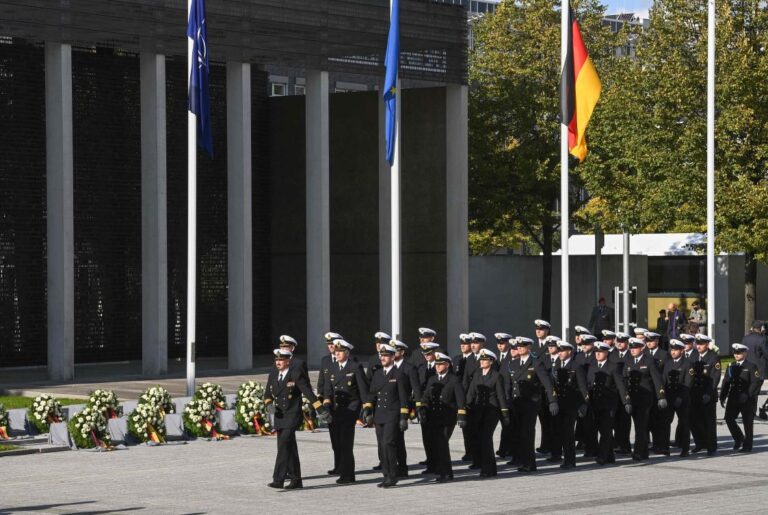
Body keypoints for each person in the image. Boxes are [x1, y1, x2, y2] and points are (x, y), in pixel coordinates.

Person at [265, 348, 331, 490]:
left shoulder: (295, 374)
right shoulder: (273, 373)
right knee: (290, 448)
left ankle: (278, 479)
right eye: (276, 360)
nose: (278, 362)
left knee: (283, 446)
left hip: (292, 415)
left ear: (288, 361)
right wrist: (269, 404)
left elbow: (308, 392)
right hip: (279, 416)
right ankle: (296, 480)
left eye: (281, 360)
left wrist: (320, 409)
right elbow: (267, 394)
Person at [321, 339, 369, 484]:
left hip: (350, 409)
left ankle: (348, 475)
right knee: (338, 443)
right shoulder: (332, 368)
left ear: (347, 353)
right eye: (336, 352)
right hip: (336, 410)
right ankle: (343, 470)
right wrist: (327, 405)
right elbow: (328, 390)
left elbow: (362, 389)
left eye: (340, 352)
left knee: (346, 443)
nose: (337, 354)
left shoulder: (355, 366)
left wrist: (366, 407)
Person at [362, 343, 410, 488]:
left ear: (393, 357)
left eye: (386, 356)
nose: (382, 358)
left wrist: (403, 417)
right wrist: (368, 409)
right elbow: (372, 394)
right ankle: (386, 475)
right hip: (379, 415)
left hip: (393, 414)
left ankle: (393, 475)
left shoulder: (399, 375)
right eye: (381, 356)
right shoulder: (377, 374)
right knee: (382, 446)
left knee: (389, 443)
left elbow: (403, 397)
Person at [507, 337, 556, 473]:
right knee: (518, 433)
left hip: (531, 403)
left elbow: (547, 383)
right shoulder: (514, 363)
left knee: (527, 433)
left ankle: (530, 463)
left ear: (529, 347)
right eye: (518, 346)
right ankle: (522, 460)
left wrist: (552, 400)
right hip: (517, 403)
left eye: (523, 346)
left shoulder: (536, 363)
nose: (520, 348)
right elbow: (510, 384)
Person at [580, 341, 630, 465]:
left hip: (609, 404)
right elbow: (588, 384)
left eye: (600, 352)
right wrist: (584, 402)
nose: (597, 354)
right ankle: (610, 456)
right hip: (595, 404)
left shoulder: (613, 366)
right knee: (597, 430)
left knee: (606, 430)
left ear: (606, 353)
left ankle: (602, 456)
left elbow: (620, 386)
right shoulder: (592, 366)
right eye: (596, 352)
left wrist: (626, 401)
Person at [421, 352, 466, 482]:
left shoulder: (454, 379)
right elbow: (425, 397)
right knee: (435, 443)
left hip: (447, 417)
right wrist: (423, 407)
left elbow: (460, 399)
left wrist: (461, 416)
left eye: (440, 364)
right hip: (433, 417)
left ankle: (447, 473)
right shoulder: (432, 379)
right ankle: (439, 469)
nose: (438, 366)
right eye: (436, 364)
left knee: (442, 443)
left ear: (447, 365)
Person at [465, 348, 509, 478]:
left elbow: (501, 396)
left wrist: (505, 413)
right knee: (479, 438)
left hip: (492, 411)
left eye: (485, 360)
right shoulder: (477, 373)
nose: (482, 362)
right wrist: (465, 407)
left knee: (486, 438)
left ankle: (488, 469)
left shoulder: (496, 376)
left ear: (491, 362)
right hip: (478, 410)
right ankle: (483, 465)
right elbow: (471, 392)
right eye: (481, 359)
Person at [624, 338, 667, 461]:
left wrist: (661, 396)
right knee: (639, 425)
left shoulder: (649, 361)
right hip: (632, 399)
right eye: (631, 348)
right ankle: (644, 453)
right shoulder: (628, 361)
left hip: (645, 399)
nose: (632, 350)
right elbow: (624, 379)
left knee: (641, 426)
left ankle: (638, 452)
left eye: (635, 348)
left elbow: (657, 380)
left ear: (642, 348)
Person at [549, 341, 587, 469]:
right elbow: (553, 385)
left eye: (562, 351)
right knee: (558, 431)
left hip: (571, 404)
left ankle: (570, 460)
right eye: (559, 351)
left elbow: (582, 387)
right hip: (559, 403)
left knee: (568, 433)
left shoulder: (576, 366)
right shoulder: (557, 365)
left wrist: (583, 404)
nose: (560, 353)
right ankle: (562, 456)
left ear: (569, 351)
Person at [720, 343, 763, 453]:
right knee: (729, 419)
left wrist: (748, 394)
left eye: (739, 353)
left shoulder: (751, 366)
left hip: (747, 399)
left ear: (745, 353)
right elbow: (726, 382)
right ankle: (739, 438)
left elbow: (756, 382)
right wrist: (723, 396)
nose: (736, 355)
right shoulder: (731, 366)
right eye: (735, 353)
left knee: (747, 422)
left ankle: (747, 445)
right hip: (734, 398)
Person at [392, 340, 423, 477]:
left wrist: (417, 408)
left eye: (396, 351)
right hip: (388, 407)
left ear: (402, 352)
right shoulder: (389, 366)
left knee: (398, 439)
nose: (393, 354)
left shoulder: (409, 368)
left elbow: (416, 389)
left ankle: (402, 467)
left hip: (402, 407)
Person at [658, 339, 692, 457]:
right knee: (666, 422)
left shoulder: (687, 363)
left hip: (682, 399)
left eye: (676, 350)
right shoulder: (667, 363)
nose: (673, 352)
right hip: (669, 397)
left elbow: (688, 383)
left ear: (682, 351)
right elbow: (663, 380)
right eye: (672, 350)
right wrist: (662, 396)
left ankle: (685, 448)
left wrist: (681, 398)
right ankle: (665, 447)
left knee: (684, 423)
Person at [689, 334, 720, 456]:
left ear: (707, 345)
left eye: (701, 344)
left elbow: (715, 377)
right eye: (697, 343)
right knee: (694, 421)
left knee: (709, 422)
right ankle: (699, 443)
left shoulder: (713, 357)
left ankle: (711, 446)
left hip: (708, 395)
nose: (699, 346)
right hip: (695, 394)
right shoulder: (694, 356)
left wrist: (708, 393)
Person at [416, 341, 440, 473]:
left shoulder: (441, 365)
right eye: (424, 353)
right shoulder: (421, 368)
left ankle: (437, 463)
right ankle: (430, 462)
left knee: (436, 436)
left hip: (437, 406)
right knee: (426, 436)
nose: (427, 355)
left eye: (429, 353)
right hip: (424, 406)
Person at [536, 335, 561, 454]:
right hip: (544, 396)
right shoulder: (544, 359)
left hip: (558, 396)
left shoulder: (561, 359)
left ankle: (556, 448)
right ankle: (545, 445)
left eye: (553, 346)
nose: (550, 348)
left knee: (556, 424)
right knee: (544, 422)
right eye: (549, 346)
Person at [610, 332, 633, 454]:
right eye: (618, 341)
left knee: (624, 420)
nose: (619, 343)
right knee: (614, 420)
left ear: (627, 343)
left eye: (622, 341)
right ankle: (616, 443)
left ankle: (625, 445)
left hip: (627, 391)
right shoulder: (611, 355)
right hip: (614, 392)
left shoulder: (631, 355)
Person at [494, 332, 514, 459]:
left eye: (503, 343)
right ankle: (504, 448)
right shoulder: (495, 358)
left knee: (508, 424)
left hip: (508, 396)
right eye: (499, 344)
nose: (500, 346)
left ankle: (508, 449)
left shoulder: (511, 358)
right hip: (498, 397)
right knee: (504, 424)